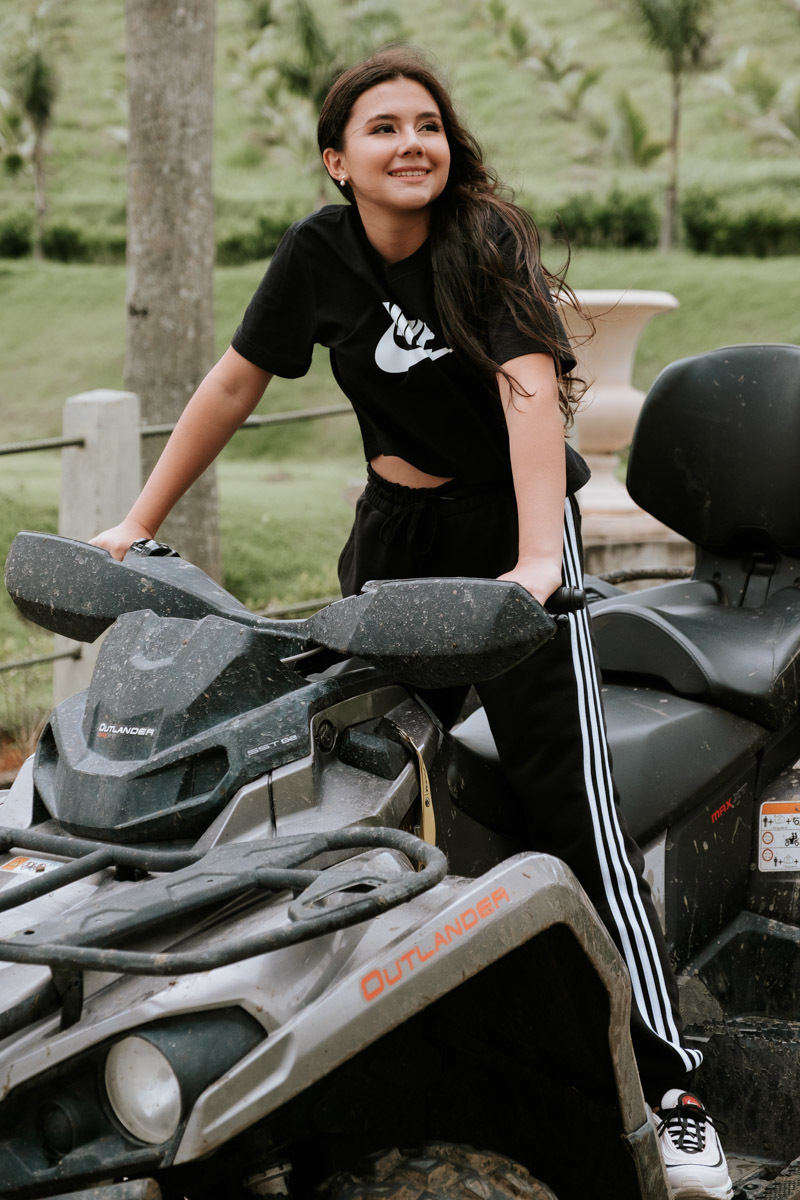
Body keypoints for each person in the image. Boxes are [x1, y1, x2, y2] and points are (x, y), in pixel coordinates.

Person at [92, 46, 731, 1200]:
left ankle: (674, 1090)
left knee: (568, 810)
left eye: (426, 125)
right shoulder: (316, 253)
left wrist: (538, 562)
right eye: (381, 128)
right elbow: (235, 382)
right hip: (392, 540)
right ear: (337, 161)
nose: (411, 144)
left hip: (508, 542)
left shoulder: (478, 241)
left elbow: (526, 390)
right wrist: (133, 524)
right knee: (340, 778)